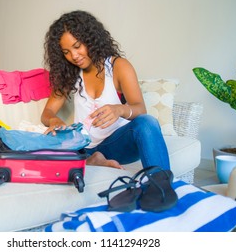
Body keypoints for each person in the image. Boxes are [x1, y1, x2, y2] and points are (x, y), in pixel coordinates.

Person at [41, 10, 170, 170]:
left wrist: (119, 110)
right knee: (45, 143)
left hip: (115, 145)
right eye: (66, 52)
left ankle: (161, 186)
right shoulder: (71, 74)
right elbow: (47, 112)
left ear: (90, 39)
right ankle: (91, 160)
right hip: (81, 147)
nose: (74, 56)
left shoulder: (119, 67)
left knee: (147, 123)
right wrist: (53, 120)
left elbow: (140, 109)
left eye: (77, 46)